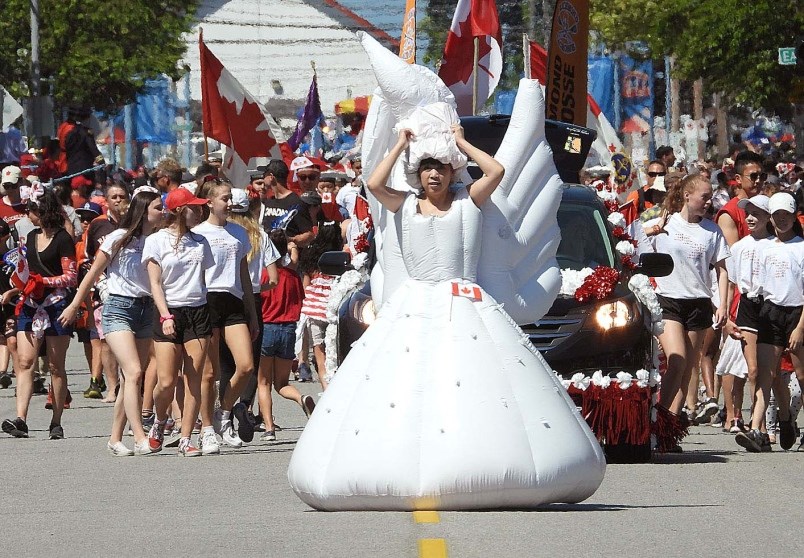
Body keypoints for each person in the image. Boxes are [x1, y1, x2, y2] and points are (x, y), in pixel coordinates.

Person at [58, 187, 163, 455]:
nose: (162, 212)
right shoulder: (118, 237)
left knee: (131, 379)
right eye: (157, 208)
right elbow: (92, 274)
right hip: (118, 307)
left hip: (145, 308)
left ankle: (115, 438)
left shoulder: (156, 240)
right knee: (135, 371)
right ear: (143, 211)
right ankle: (139, 436)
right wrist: (74, 305)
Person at [646, 174, 730, 452]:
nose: (708, 202)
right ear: (687, 195)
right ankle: (654, 420)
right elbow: (636, 244)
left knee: (686, 371)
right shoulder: (666, 221)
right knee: (677, 360)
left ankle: (668, 432)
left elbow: (721, 270)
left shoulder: (712, 230)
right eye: (704, 196)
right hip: (668, 299)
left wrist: (723, 304)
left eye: (710, 197)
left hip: (698, 303)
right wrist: (650, 233)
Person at [142, 188, 213, 457]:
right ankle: (160, 421)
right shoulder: (156, 242)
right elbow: (155, 284)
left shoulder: (200, 242)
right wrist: (165, 315)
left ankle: (186, 437)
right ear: (181, 211)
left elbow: (203, 280)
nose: (201, 211)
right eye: (195, 207)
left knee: (195, 379)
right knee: (167, 380)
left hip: (197, 311)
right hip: (168, 311)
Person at [1, 188, 77, 439]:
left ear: (42, 212)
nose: (27, 216)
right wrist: (17, 287)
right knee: (24, 361)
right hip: (31, 306)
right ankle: (21, 418)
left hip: (57, 307)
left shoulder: (64, 239)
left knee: (56, 366)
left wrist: (42, 281)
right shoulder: (30, 237)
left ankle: (56, 421)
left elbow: (71, 276)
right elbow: (24, 268)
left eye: (30, 211)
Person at [193, 179, 259, 452]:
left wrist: (252, 312)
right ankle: (207, 428)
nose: (229, 203)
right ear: (209, 202)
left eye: (230, 197)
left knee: (246, 366)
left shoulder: (239, 233)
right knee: (209, 373)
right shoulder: (198, 233)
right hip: (207, 300)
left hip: (233, 300)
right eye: (224, 198)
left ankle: (224, 413)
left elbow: (243, 273)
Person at [736, 193, 804, 452]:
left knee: (800, 374)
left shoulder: (801, 247)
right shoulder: (766, 249)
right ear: (772, 218)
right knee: (766, 374)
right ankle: (757, 429)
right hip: (770, 313)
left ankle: (787, 420)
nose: (782, 219)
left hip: (797, 314)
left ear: (794, 214)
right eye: (777, 215)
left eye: (786, 215)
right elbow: (759, 287)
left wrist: (799, 328)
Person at [222, 189, 280, 437]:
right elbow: (274, 278)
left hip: (226, 295)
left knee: (227, 363)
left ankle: (224, 413)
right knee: (252, 362)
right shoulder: (260, 235)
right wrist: (257, 286)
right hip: (253, 298)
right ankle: (243, 403)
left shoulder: (222, 233)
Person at [720, 195, 773, 435]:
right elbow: (732, 285)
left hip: (772, 307)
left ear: (768, 217)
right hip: (748, 308)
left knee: (770, 370)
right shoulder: (739, 247)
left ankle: (772, 421)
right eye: (748, 213)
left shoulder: (775, 245)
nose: (751, 218)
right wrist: (728, 318)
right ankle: (756, 424)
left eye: (757, 213)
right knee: (752, 369)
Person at [257, 229, 315, 441]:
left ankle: (269, 427)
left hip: (267, 327)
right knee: (281, 383)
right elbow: (300, 301)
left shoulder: (264, 275)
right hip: (288, 329)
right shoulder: (292, 276)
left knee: (263, 382)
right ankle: (301, 399)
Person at [298, 223, 343, 390]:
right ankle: (335, 384)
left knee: (319, 351)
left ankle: (326, 388)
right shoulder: (342, 255)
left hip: (314, 308)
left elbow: (306, 285)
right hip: (333, 307)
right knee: (335, 349)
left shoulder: (311, 254)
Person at [261, 160, 315, 247]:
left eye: (265, 175)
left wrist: (290, 240)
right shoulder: (268, 202)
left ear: (271, 177)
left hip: (288, 256)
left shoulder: (296, 203)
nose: (263, 178)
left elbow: (309, 235)